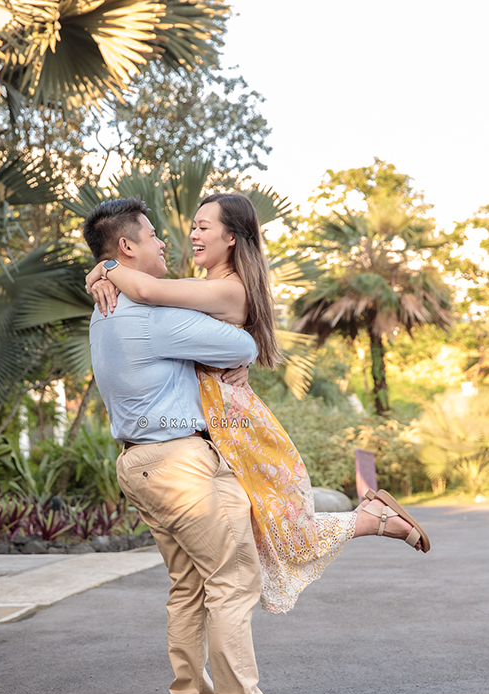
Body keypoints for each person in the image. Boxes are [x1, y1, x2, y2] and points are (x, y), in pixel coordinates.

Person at [86, 193, 431, 614]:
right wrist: (105, 277)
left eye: (203, 227)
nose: (191, 235)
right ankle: (374, 519)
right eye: (192, 226)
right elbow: (153, 300)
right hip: (215, 423)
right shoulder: (198, 288)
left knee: (282, 532)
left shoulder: (230, 290)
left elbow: (146, 289)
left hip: (232, 420)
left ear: (231, 237)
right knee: (266, 535)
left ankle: (374, 520)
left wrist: (103, 268)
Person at [84, 197, 322, 694]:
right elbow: (242, 346)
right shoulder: (150, 312)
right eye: (154, 236)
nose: (168, 242)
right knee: (232, 585)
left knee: (189, 591)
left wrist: (102, 271)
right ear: (127, 248)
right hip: (181, 464)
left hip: (140, 466)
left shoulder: (106, 306)